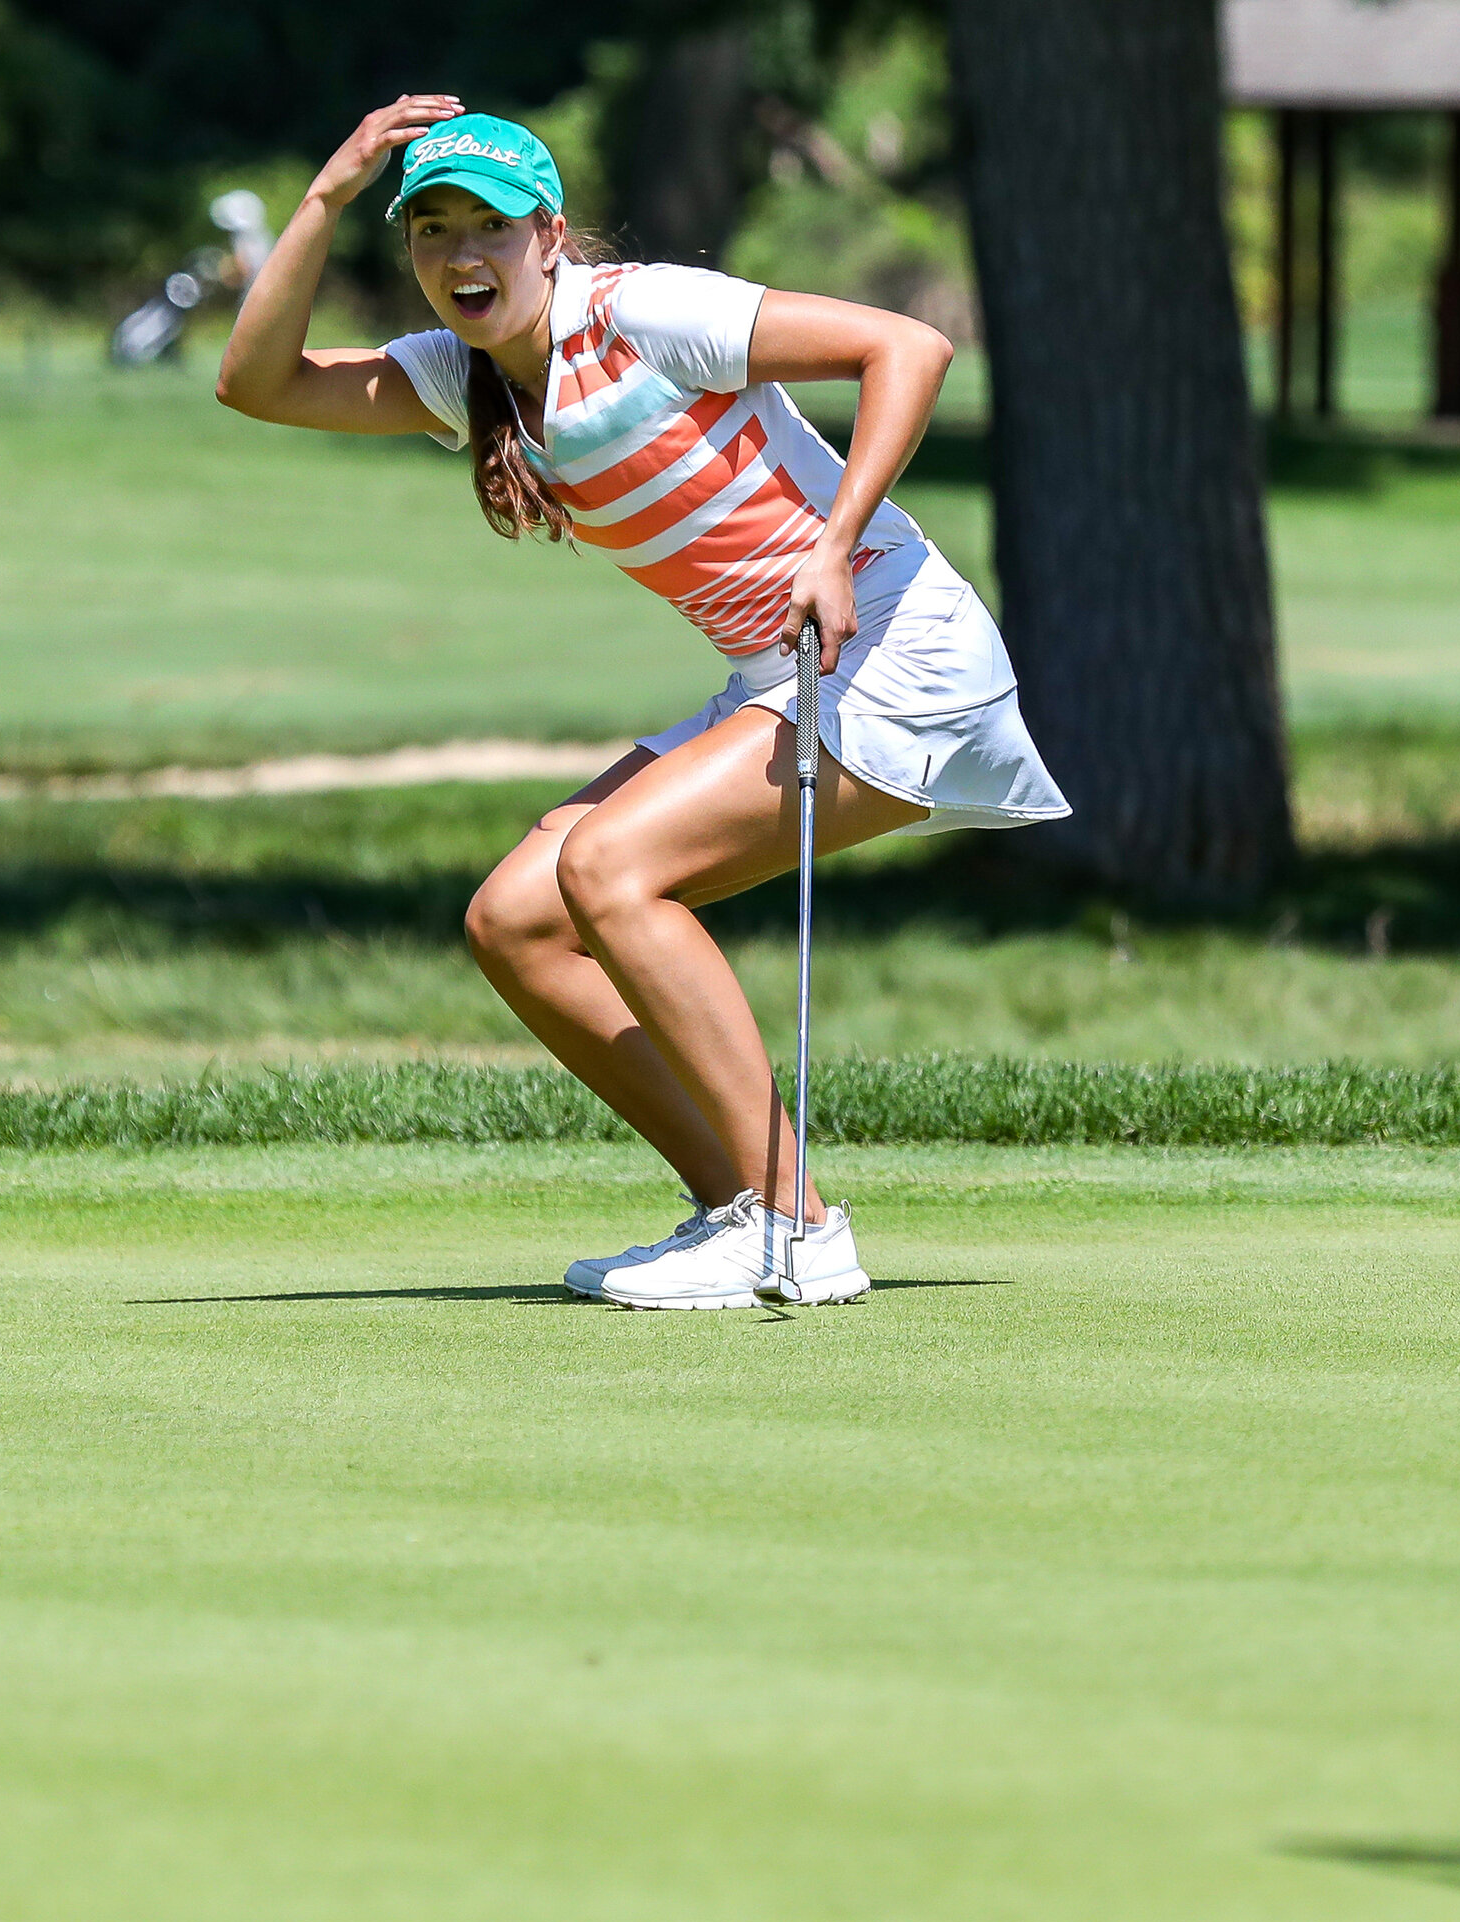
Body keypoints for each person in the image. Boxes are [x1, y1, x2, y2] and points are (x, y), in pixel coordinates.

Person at [216, 99, 1068, 1309]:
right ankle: (742, 1204)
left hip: (892, 652)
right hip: (781, 676)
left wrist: (832, 544)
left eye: (492, 229)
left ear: (550, 235)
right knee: (516, 917)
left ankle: (792, 1225)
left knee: (608, 868)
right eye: (431, 231)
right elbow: (257, 383)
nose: (462, 257)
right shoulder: (469, 379)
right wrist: (325, 195)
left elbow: (907, 348)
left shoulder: (642, 312)